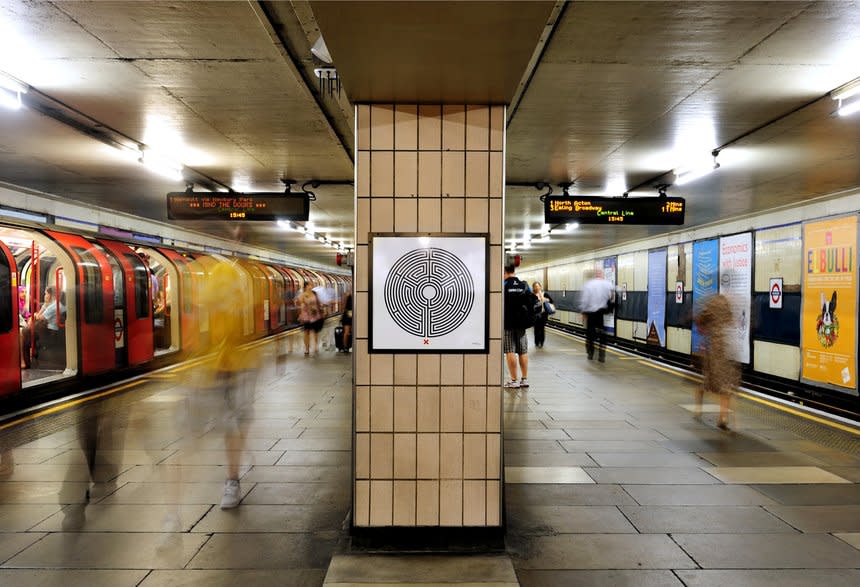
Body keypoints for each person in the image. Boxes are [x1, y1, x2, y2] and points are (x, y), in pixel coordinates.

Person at [694, 293, 739, 430]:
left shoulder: (712, 305)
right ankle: (722, 417)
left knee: (716, 383)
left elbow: (700, 322)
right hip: (721, 349)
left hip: (717, 350)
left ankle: (718, 416)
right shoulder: (723, 305)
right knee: (721, 384)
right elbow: (731, 322)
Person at [20, 286, 64, 369]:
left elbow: (39, 317)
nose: (45, 296)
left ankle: (25, 361)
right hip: (49, 330)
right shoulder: (55, 304)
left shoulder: (54, 306)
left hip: (50, 332)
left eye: (46, 294)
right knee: (27, 331)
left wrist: (37, 314)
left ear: (51, 295)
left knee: (24, 333)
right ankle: (29, 357)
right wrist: (45, 304)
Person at [503, 264, 532, 389]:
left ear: (505, 272)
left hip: (508, 323)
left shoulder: (503, 285)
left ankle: (514, 380)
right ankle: (524, 379)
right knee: (522, 351)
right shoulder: (524, 285)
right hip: (522, 324)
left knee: (510, 351)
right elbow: (532, 300)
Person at [580, 269, 614, 362]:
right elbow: (612, 296)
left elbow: (585, 300)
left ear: (595, 275)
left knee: (590, 334)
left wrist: (583, 312)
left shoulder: (589, 285)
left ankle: (590, 353)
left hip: (591, 313)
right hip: (601, 313)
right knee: (602, 333)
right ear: (602, 275)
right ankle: (602, 355)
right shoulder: (607, 284)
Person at [297, 282, 323, 355]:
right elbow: (300, 304)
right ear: (305, 287)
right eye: (309, 285)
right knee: (306, 332)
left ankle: (315, 346)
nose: (311, 286)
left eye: (311, 285)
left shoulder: (314, 293)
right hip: (306, 316)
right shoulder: (302, 295)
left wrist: (321, 308)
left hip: (315, 314)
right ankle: (307, 349)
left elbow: (318, 302)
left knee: (315, 331)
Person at [532, 281, 554, 349]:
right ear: (533, 288)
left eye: (538, 286)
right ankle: (536, 342)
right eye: (535, 286)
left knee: (541, 328)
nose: (537, 287)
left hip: (543, 314)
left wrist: (543, 298)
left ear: (540, 287)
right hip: (535, 314)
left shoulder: (545, 294)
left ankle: (541, 342)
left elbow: (551, 301)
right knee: (536, 329)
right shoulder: (532, 295)